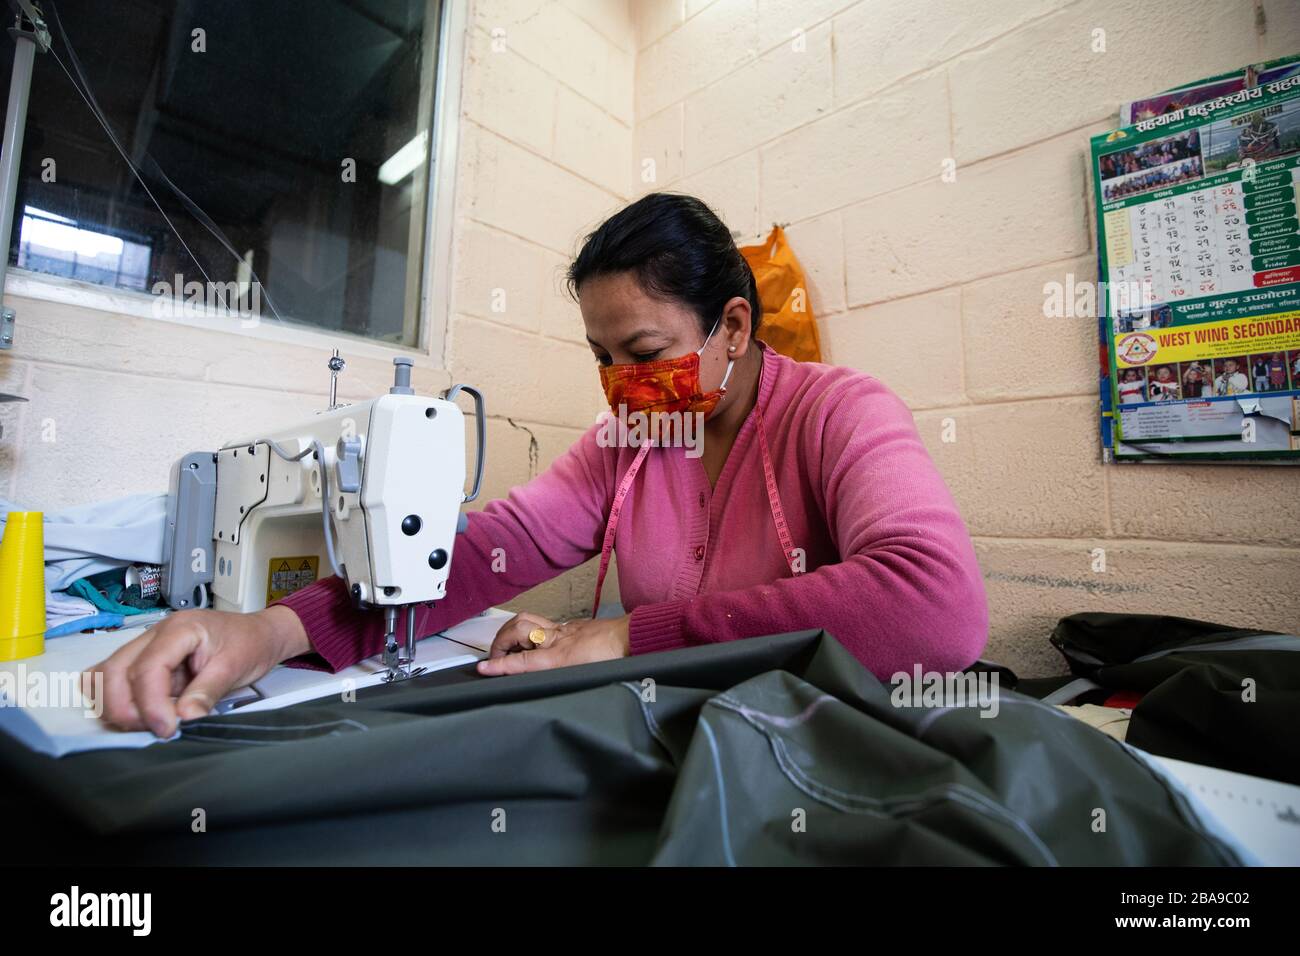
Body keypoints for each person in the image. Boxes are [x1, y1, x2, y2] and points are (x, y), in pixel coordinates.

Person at [87, 194, 989, 738]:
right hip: (685, 738)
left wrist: (631, 635)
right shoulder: (634, 442)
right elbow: (485, 551)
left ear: (736, 327)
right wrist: (274, 633)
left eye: (641, 349)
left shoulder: (840, 413)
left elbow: (937, 610)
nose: (619, 384)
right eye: (601, 357)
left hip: (815, 757)